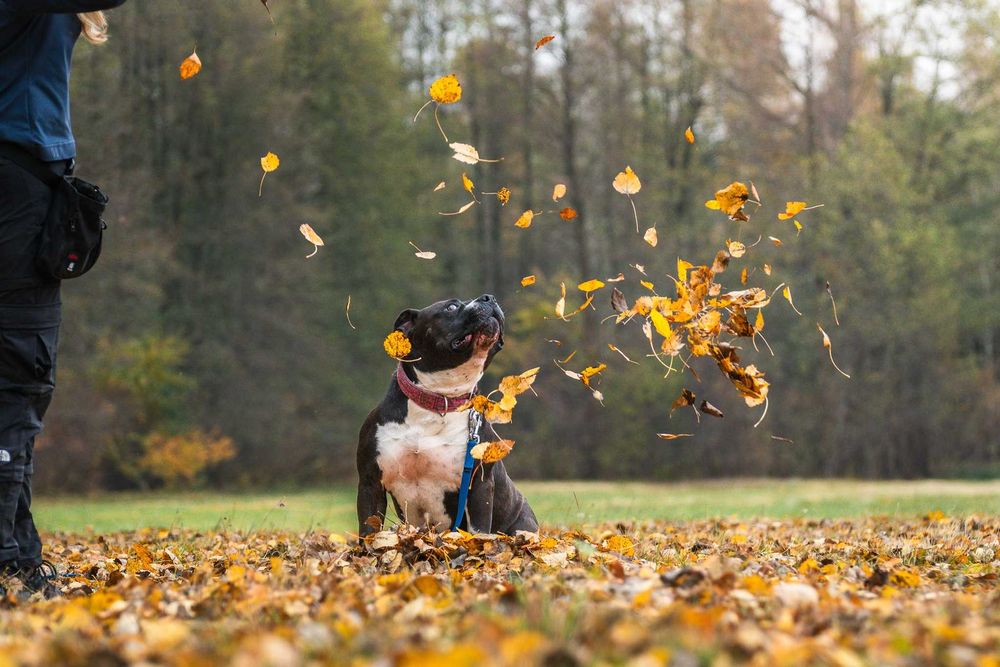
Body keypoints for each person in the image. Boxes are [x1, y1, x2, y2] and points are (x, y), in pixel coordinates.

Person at [0, 0, 126, 599]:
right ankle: (7, 566)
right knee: (17, 376)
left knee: (17, 376)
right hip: (16, 189)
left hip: (25, 184)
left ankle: (21, 559)